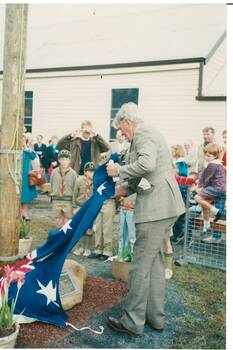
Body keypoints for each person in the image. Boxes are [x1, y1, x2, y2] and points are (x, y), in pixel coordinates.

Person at [106, 102, 185, 337]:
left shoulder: (144, 133)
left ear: (129, 122)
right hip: (164, 206)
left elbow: (146, 164)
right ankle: (155, 317)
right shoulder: (145, 135)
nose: (123, 134)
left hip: (155, 209)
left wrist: (118, 170)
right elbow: (145, 175)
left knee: (140, 266)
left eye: (122, 129)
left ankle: (132, 322)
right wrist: (119, 190)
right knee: (156, 264)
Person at [195, 143, 226, 242]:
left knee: (198, 198)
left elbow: (207, 178)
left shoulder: (213, 164)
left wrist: (200, 187)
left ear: (215, 156)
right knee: (205, 203)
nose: (206, 157)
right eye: (206, 155)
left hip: (217, 188)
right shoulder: (217, 163)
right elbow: (205, 176)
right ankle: (206, 224)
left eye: (209, 156)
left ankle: (216, 212)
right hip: (219, 188)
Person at [72, 162, 96, 257]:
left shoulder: (96, 182)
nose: (91, 173)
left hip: (90, 208)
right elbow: (74, 194)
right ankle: (80, 247)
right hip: (80, 207)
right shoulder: (79, 180)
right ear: (85, 172)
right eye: (89, 171)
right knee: (80, 228)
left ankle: (88, 248)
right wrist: (74, 207)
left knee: (89, 229)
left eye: (93, 172)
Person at [50, 150, 78, 228]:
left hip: (68, 200)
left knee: (67, 223)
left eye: (66, 159)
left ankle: (66, 239)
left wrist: (74, 204)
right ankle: (59, 238)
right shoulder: (54, 172)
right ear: (59, 160)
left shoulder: (73, 173)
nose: (64, 161)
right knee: (58, 222)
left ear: (69, 160)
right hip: (57, 200)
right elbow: (52, 184)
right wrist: (53, 196)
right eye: (62, 159)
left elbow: (75, 189)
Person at [21, 134, 38, 221]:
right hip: (17, 174)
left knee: (25, 196)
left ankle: (25, 213)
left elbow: (33, 156)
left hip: (26, 175)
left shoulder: (27, 149)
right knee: (19, 195)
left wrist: (26, 147)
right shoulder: (14, 148)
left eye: (24, 138)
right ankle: (19, 213)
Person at [117, 193, 136, 261]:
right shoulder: (123, 182)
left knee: (132, 236)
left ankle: (133, 257)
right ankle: (121, 256)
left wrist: (133, 204)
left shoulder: (137, 182)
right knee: (121, 234)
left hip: (132, 210)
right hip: (123, 209)